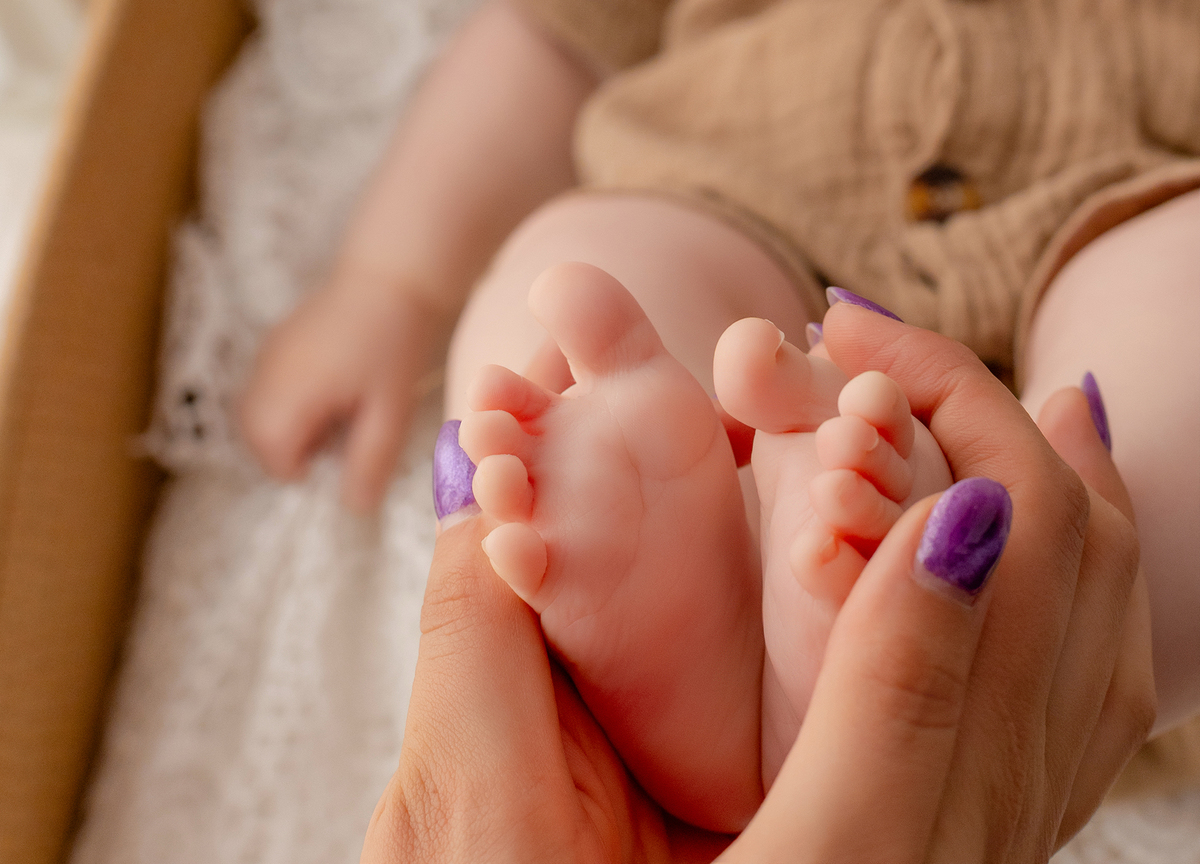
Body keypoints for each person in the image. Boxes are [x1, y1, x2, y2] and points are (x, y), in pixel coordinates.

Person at [240, 0, 1199, 831]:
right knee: (595, 280)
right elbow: (550, 37)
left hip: (1137, 186)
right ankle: (712, 600)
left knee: (1164, 349)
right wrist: (390, 281)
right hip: (738, 185)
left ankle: (1041, 635)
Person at [360, 315, 1154, 862]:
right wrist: (392, 281)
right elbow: (530, 95)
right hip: (748, 186)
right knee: (1151, 436)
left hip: (745, 199)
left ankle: (727, 626)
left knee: (584, 310)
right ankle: (777, 598)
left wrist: (389, 279)